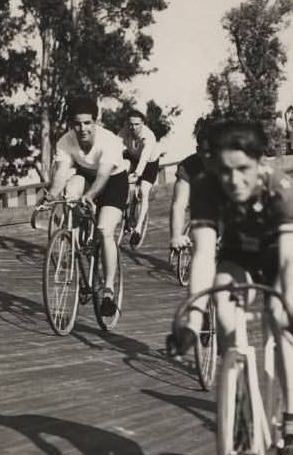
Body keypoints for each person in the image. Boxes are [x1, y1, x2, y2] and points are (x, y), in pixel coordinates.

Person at [170, 120, 293, 455]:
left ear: (260, 163)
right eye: (225, 171)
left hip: (283, 252)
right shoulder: (206, 187)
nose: (234, 181)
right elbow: (203, 256)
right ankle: (239, 399)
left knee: (280, 321)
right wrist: (192, 321)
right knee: (222, 302)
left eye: (243, 169)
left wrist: (288, 312)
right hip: (240, 253)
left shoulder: (284, 190)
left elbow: (289, 263)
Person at [47, 95, 131, 317]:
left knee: (105, 229)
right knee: (69, 192)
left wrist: (91, 195)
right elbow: (61, 173)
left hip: (113, 181)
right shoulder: (65, 142)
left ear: (96, 122)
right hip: (86, 176)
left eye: (87, 123)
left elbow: (103, 176)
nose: (82, 128)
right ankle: (74, 242)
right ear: (71, 124)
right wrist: (51, 195)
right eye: (77, 124)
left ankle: (108, 290)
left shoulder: (109, 141)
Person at [120, 109, 160, 247]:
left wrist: (137, 174)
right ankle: (128, 213)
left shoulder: (149, 136)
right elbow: (116, 148)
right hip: (133, 157)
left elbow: (144, 158)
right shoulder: (124, 132)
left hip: (149, 162)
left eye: (137, 124)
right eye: (131, 124)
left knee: (144, 190)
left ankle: (138, 228)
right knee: (124, 176)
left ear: (143, 123)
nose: (133, 127)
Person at [169, 127, 210, 253]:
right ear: (198, 151)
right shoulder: (189, 166)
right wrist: (176, 236)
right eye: (207, 151)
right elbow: (179, 205)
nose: (212, 156)